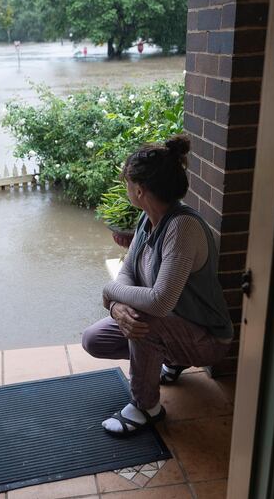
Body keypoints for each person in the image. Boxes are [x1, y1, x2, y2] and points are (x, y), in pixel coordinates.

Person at [82, 134, 234, 436]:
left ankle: (146, 406)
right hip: (172, 325)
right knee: (94, 339)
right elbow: (127, 271)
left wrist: (110, 292)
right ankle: (170, 360)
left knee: (144, 321)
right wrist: (115, 308)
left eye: (127, 183)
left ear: (138, 190)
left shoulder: (182, 227)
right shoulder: (146, 220)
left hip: (207, 338)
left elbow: (160, 302)